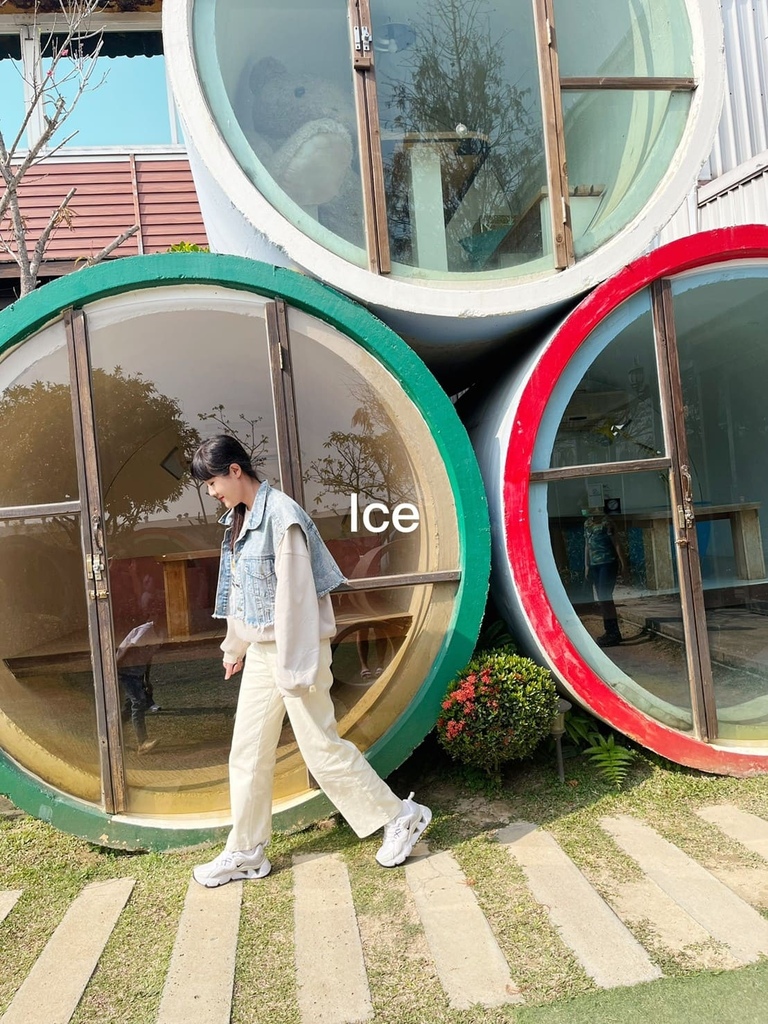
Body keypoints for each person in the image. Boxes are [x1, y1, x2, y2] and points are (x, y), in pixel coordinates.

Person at [190, 435, 431, 888]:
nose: (211, 492)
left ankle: (401, 815)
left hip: (295, 652)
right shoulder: (241, 520)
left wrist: (295, 670)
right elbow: (243, 594)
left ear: (235, 471)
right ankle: (247, 851)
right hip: (264, 654)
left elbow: (297, 603)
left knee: (321, 749)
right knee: (247, 753)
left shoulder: (282, 518)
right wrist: (234, 648)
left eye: (212, 482)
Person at [583, 507, 628, 647]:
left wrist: (624, 564)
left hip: (607, 563)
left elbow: (616, 543)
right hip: (595, 565)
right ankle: (610, 631)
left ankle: (613, 632)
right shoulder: (587, 524)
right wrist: (587, 565)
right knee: (602, 599)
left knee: (605, 597)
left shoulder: (607, 522)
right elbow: (587, 545)